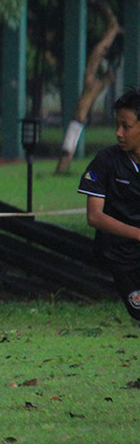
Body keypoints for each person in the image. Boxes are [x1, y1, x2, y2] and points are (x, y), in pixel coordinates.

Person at [78, 89, 140, 329]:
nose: (118, 133)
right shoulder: (106, 162)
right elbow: (94, 216)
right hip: (120, 256)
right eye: (117, 125)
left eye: (126, 126)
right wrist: (137, 233)